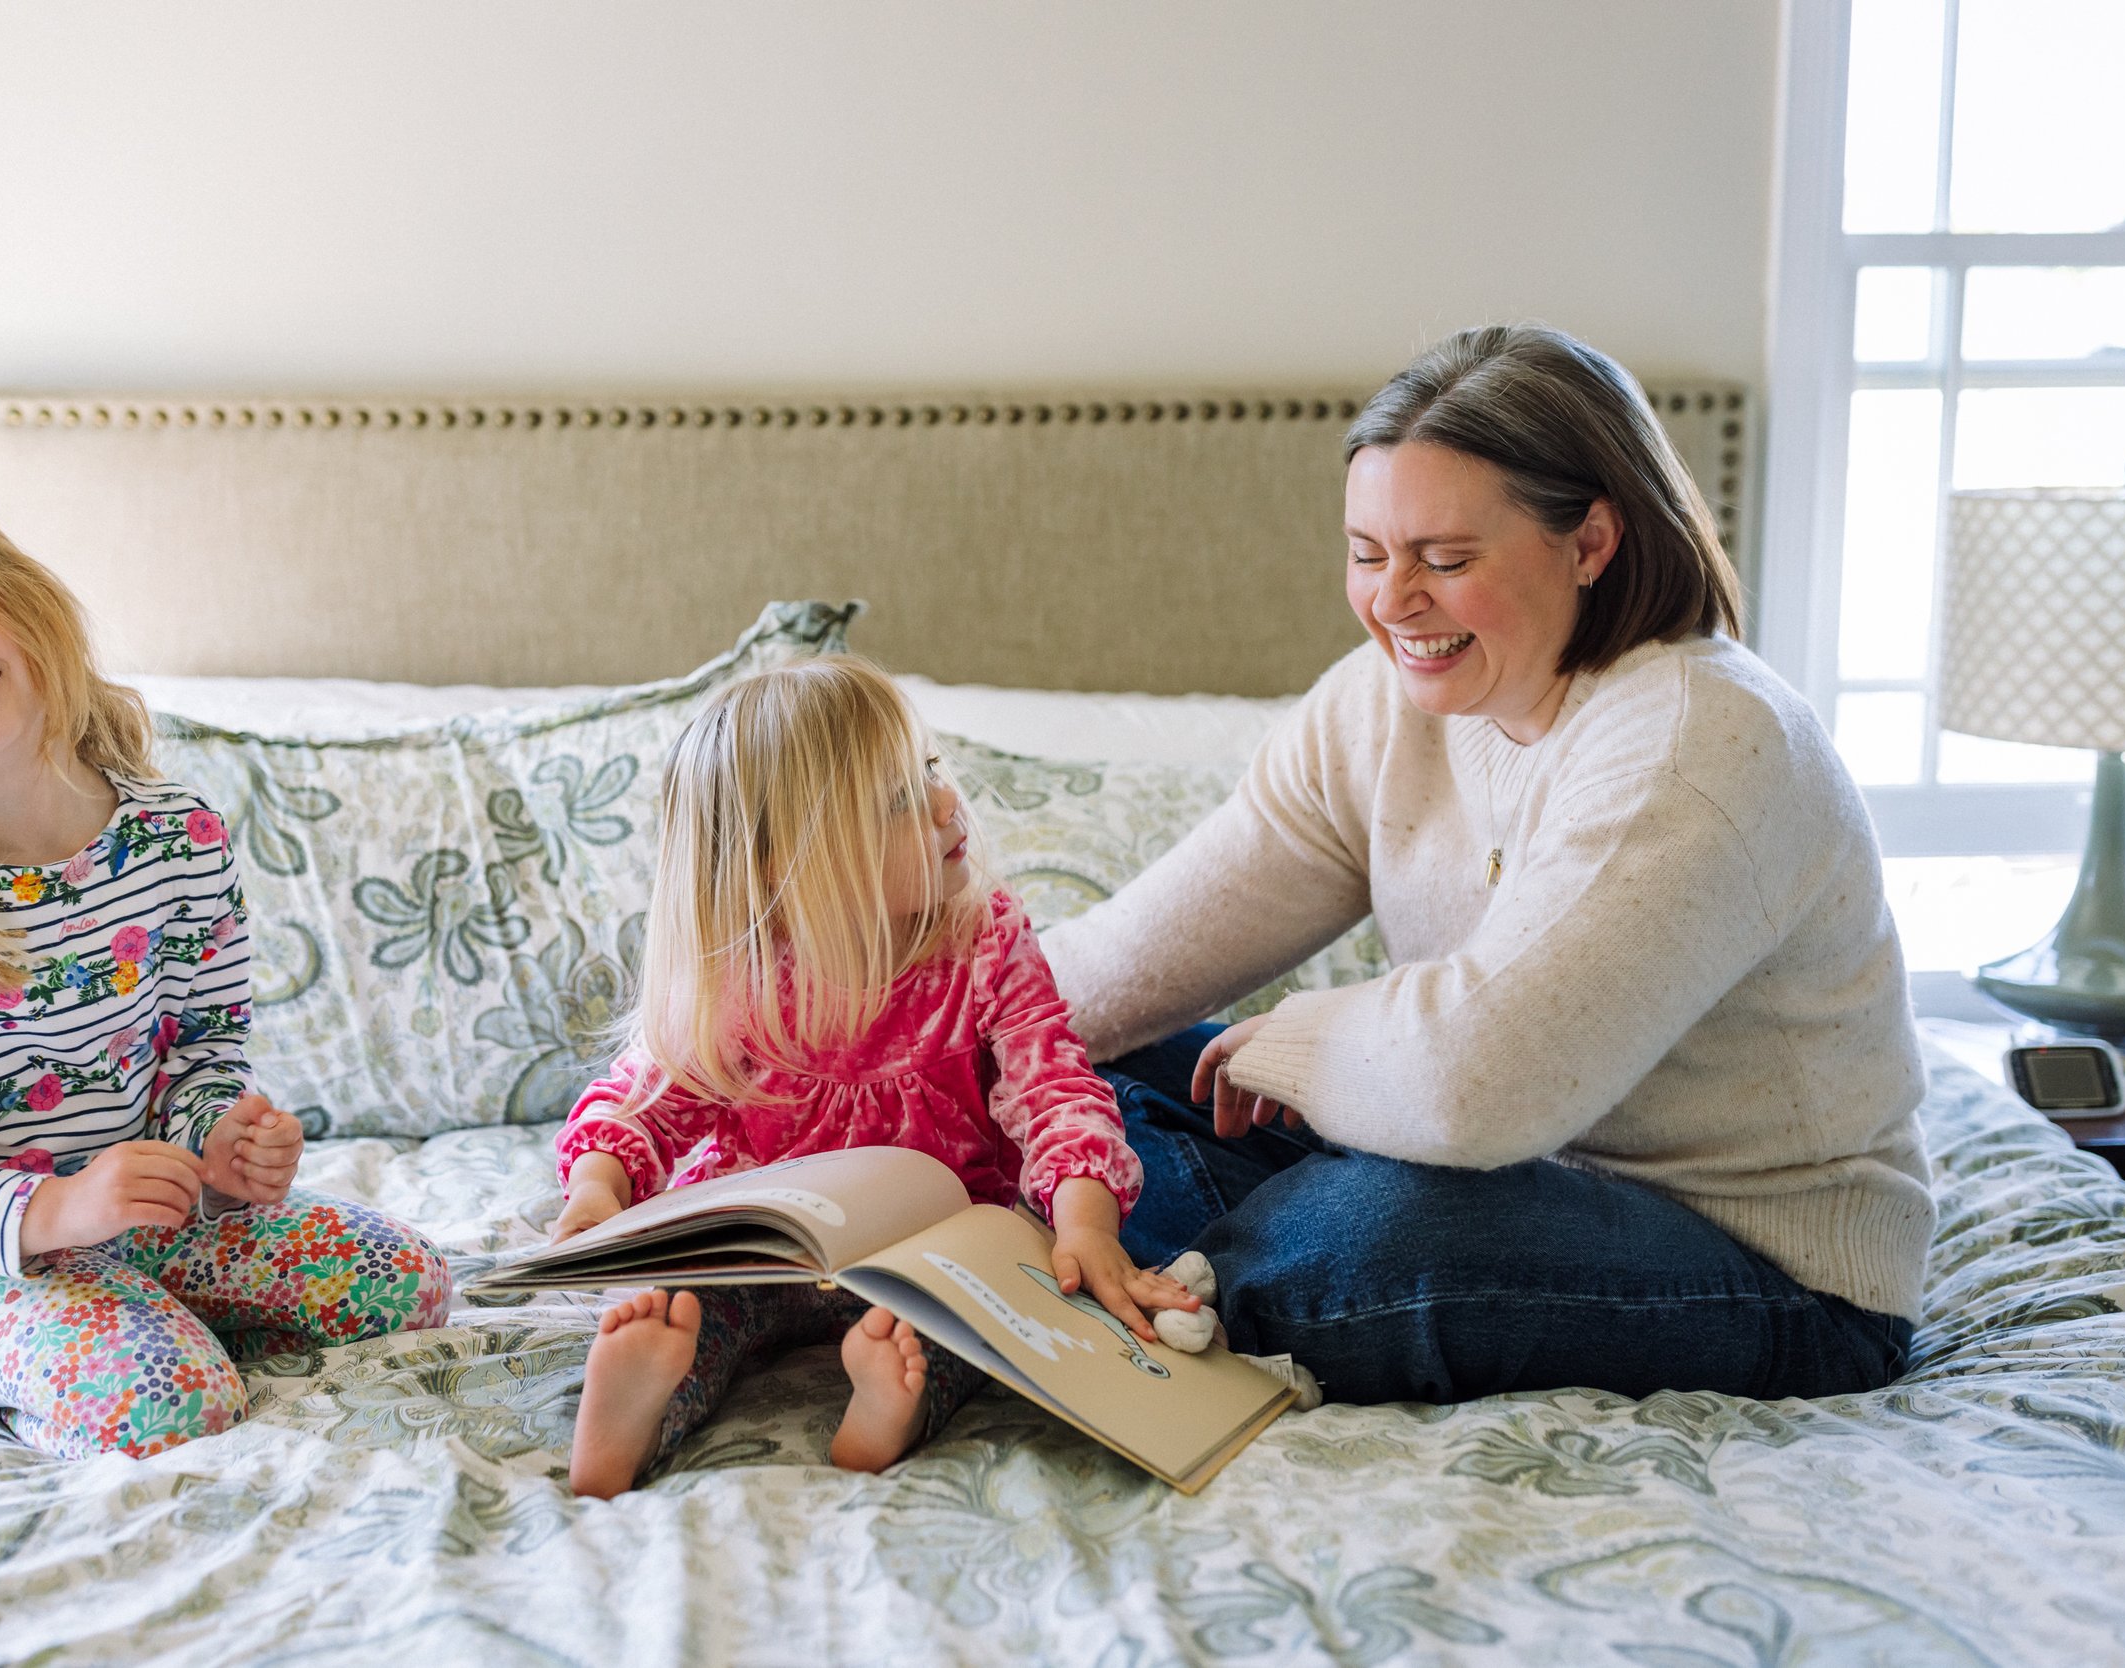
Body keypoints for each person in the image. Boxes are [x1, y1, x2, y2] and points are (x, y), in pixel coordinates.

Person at [1042, 324, 1933, 1406]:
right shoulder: (1381, 708)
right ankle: (1130, 1270)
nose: (1392, 602)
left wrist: (1296, 1040)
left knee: (1372, 1227)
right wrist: (873, 1046)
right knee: (1088, 1070)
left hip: (1762, 1271)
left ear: (1589, 543)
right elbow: (1126, 961)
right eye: (1367, 554)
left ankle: (1090, 1290)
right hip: (1485, 1178)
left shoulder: (1700, 743)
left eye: (1445, 560)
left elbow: (1476, 1091)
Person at [0, 484, 454, 1459]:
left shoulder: (180, 839)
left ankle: (137, 1307)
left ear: (21, 607)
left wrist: (221, 1144)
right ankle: (49, 1348)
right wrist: (57, 1213)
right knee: (179, 1405)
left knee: (413, 1283)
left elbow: (204, 1051)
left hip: (148, 1216)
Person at [551, 658, 1193, 1497]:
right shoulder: (743, 980)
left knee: (970, 1329)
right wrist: (597, 1192)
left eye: (926, 769)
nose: (943, 802)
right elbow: (644, 1100)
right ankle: (635, 1416)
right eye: (898, 800)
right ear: (785, 864)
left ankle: (883, 1412)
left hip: (933, 1253)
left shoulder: (984, 940)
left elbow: (1055, 1088)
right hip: (772, 1255)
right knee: (688, 1304)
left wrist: (1086, 1225)